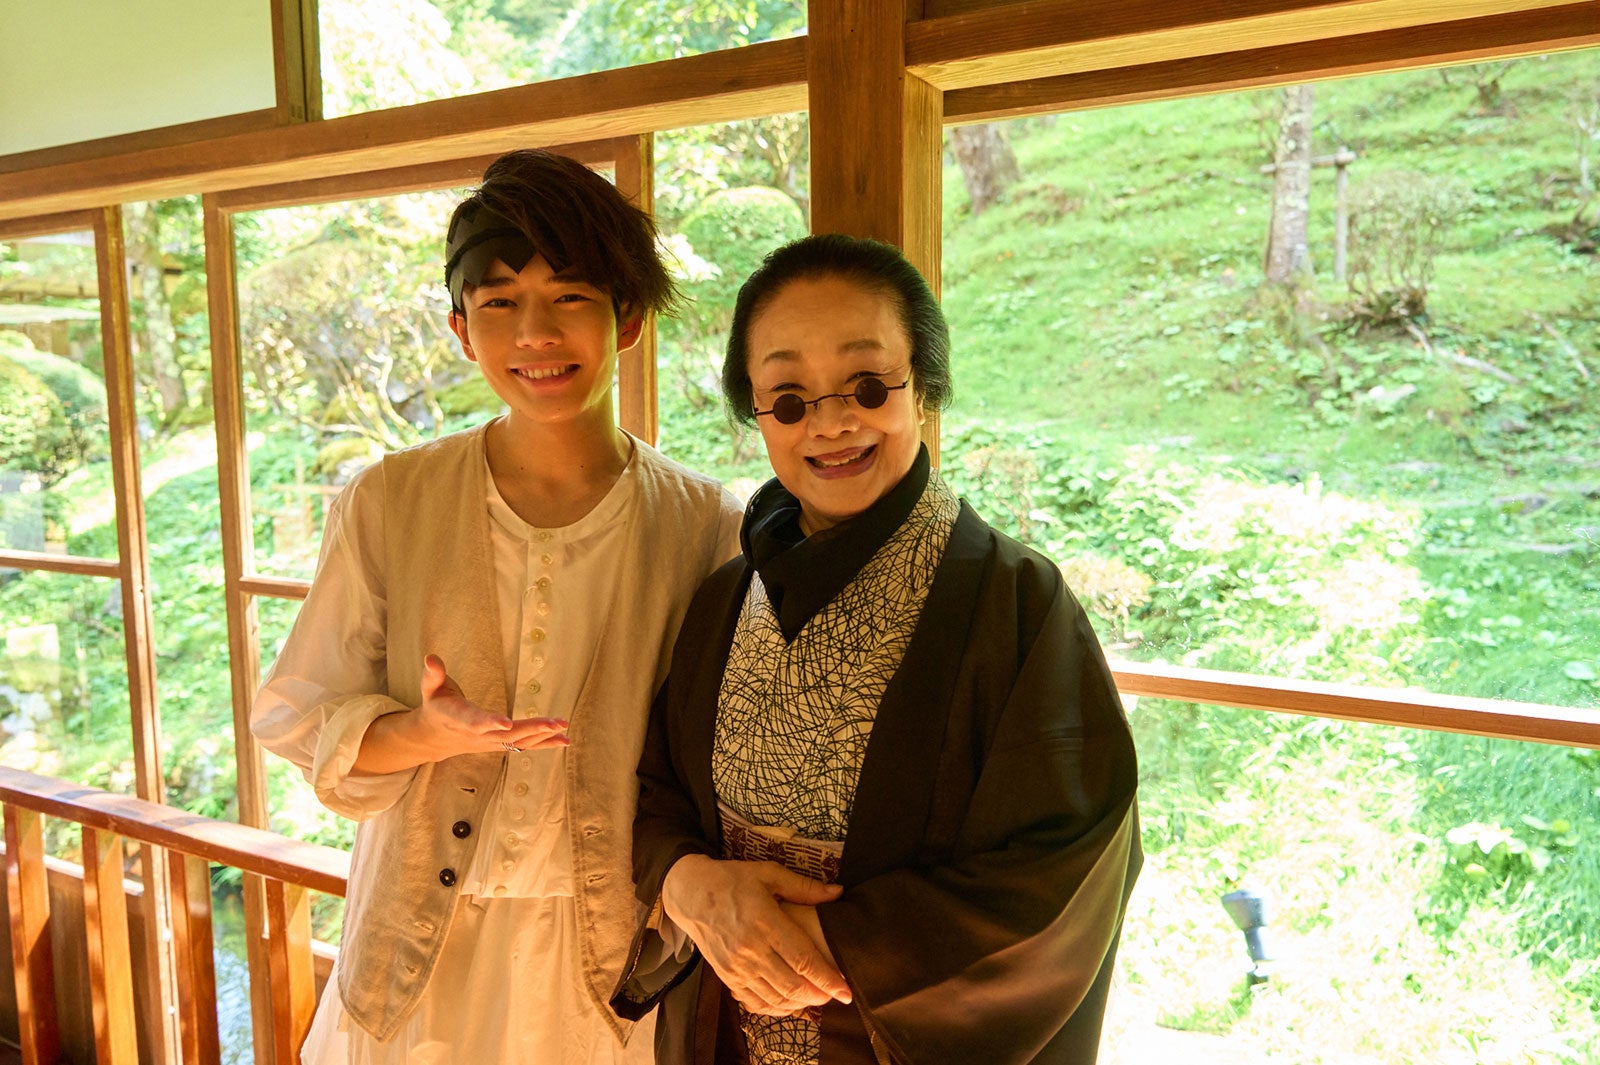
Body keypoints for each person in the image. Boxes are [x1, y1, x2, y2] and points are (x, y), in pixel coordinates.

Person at [252, 148, 742, 1064]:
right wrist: (423, 733)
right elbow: (300, 712)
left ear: (628, 318)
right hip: (417, 952)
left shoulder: (706, 523)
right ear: (460, 329)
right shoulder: (390, 500)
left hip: (607, 960)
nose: (536, 334)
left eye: (570, 297)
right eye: (501, 302)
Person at [612, 234, 1141, 1064]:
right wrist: (689, 882)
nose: (831, 423)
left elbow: (1065, 867)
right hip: (722, 1036)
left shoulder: (1015, 602)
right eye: (789, 399)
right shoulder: (725, 598)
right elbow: (657, 793)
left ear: (922, 386)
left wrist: (835, 940)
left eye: (866, 384)